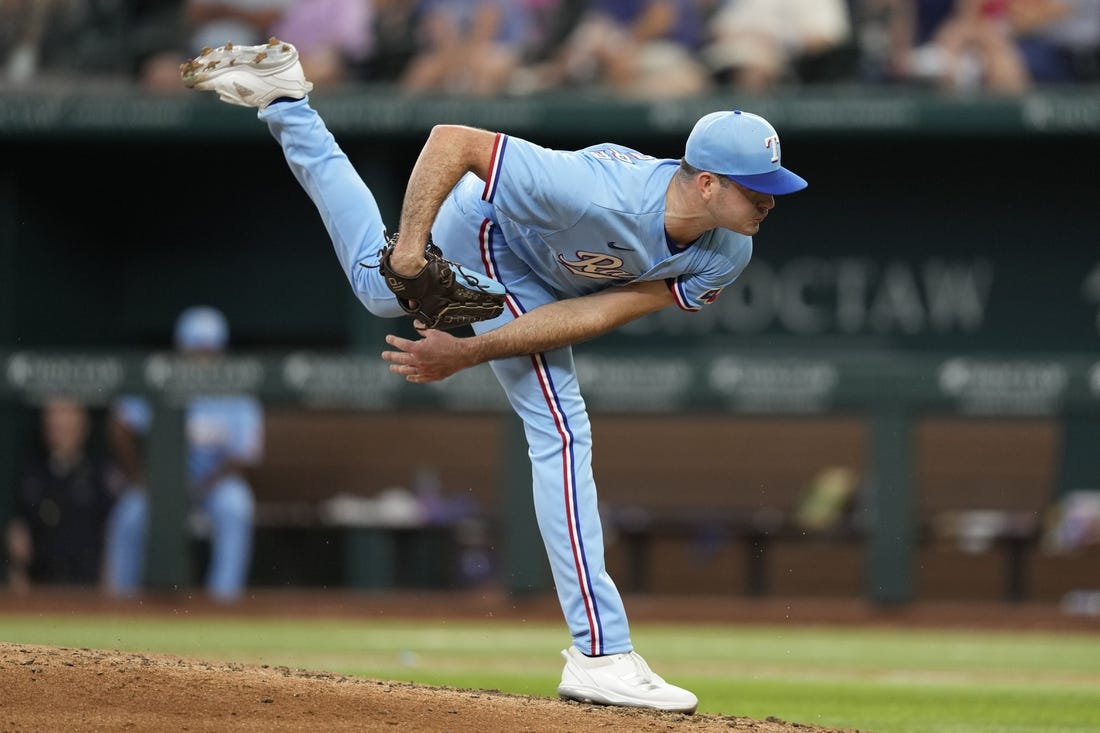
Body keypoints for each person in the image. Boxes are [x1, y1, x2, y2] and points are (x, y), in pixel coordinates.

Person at [180, 36, 808, 712]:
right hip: (486, 227)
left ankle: (285, 102)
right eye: (757, 187)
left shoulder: (727, 250)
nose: (771, 199)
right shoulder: (599, 192)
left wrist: (470, 349)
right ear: (708, 182)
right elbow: (453, 141)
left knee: (373, 284)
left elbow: (599, 312)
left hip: (541, 280)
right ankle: (600, 649)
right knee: (561, 427)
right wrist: (418, 254)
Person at [104, 305, 265, 604]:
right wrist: (140, 476)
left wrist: (203, 486)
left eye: (209, 350)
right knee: (129, 514)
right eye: (195, 350)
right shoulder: (160, 376)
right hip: (161, 483)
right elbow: (120, 424)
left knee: (237, 505)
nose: (202, 359)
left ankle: (223, 603)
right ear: (181, 348)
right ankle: (120, 603)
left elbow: (245, 455)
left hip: (213, 485)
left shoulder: (236, 389)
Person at [5, 397, 120, 594]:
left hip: (89, 590)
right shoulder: (32, 474)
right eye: (53, 424)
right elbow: (18, 537)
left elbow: (113, 537)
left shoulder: (100, 476)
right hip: (41, 589)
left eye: (66, 423)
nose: (58, 427)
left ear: (83, 425)